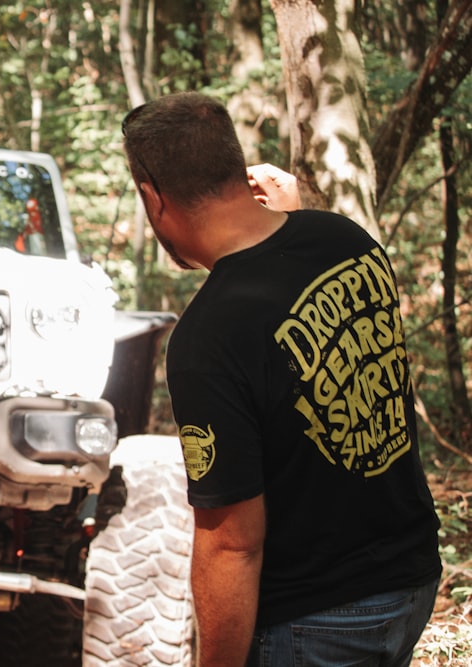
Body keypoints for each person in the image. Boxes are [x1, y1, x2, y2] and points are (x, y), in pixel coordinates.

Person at [120, 92, 441, 666]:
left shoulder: (206, 338)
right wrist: (295, 215)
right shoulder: (348, 242)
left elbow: (231, 545)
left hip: (315, 623)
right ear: (237, 168)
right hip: (410, 581)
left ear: (153, 196)